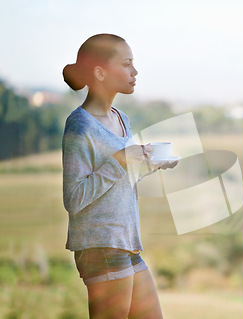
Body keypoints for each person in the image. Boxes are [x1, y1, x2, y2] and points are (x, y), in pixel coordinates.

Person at [62, 33, 175, 319]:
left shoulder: (121, 118)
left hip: (126, 243)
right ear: (100, 72)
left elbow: (118, 179)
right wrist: (121, 160)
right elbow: (74, 199)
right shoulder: (79, 125)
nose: (134, 72)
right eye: (127, 64)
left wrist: (149, 164)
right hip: (100, 246)